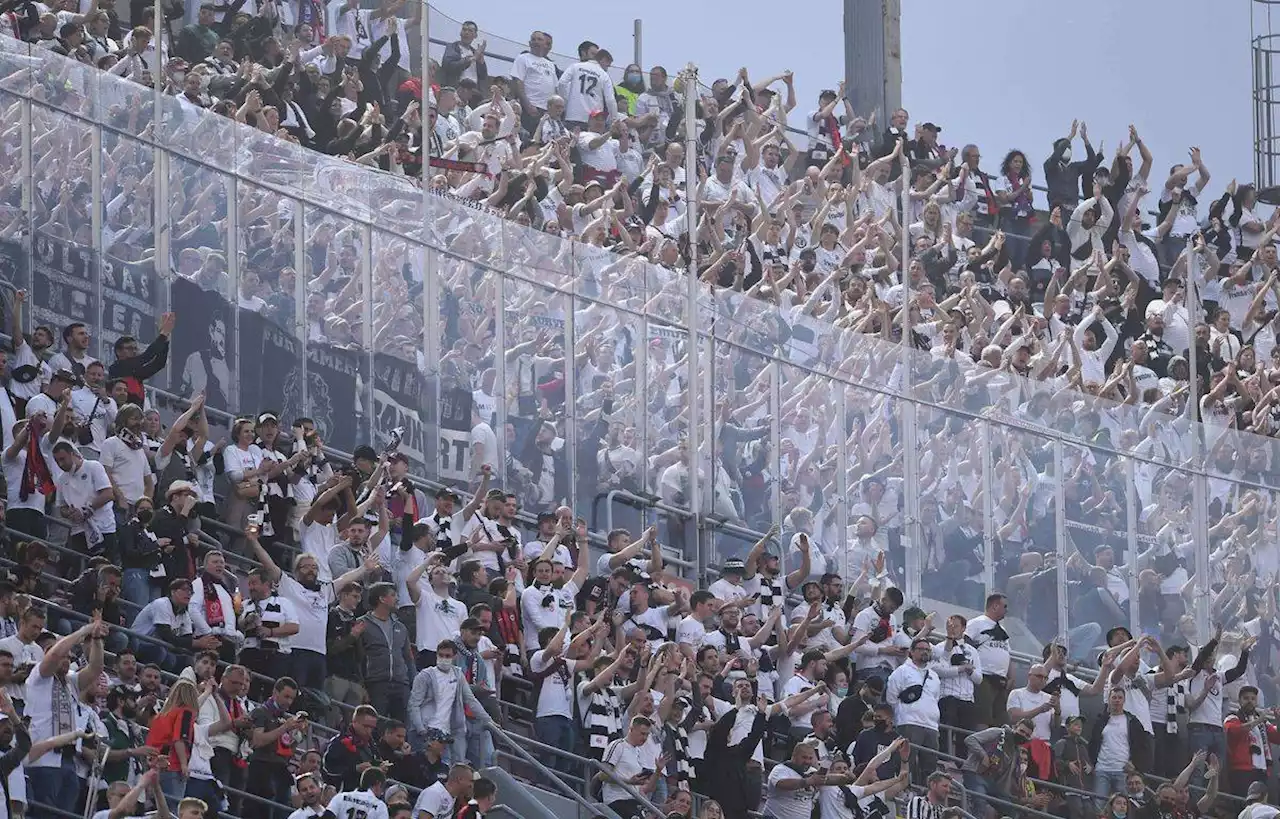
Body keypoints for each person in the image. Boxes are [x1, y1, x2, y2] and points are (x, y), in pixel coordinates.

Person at [246, 677, 309, 819]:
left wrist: (298, 736)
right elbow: (257, 741)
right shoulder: (261, 712)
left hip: (281, 771)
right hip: (262, 769)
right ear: (275, 692)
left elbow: (287, 752)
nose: (289, 702)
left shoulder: (284, 718)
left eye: (292, 698)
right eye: (286, 696)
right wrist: (285, 727)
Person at [321, 767, 390, 819]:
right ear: (378, 784)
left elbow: (327, 817)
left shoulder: (341, 797)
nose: (382, 793)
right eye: (382, 788)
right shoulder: (380, 806)